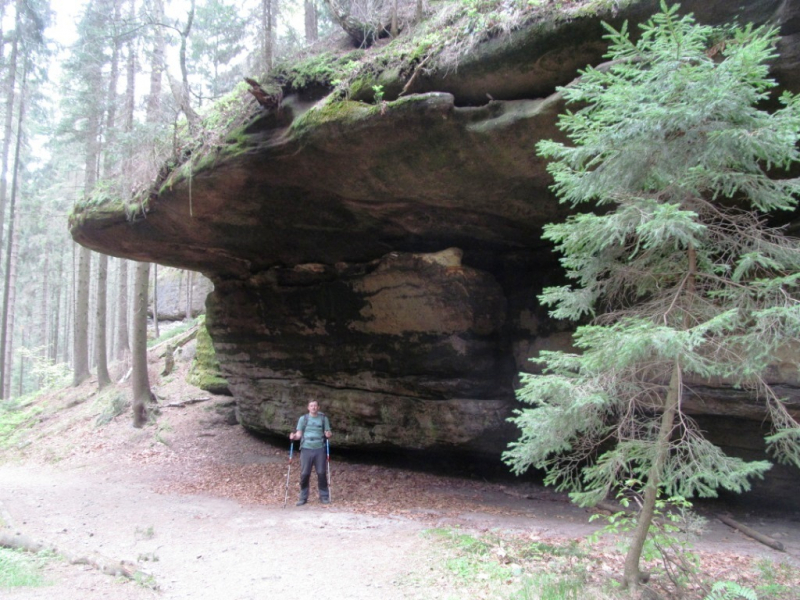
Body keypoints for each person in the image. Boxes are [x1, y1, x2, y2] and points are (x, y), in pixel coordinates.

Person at [289, 400, 332, 506]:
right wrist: (294, 437)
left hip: (319, 448)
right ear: (308, 408)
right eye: (311, 406)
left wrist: (328, 434)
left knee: (321, 472)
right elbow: (299, 434)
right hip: (306, 448)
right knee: (305, 473)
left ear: (318, 407)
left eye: (315, 406)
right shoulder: (303, 419)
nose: (313, 407)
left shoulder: (323, 419)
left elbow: (328, 432)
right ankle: (303, 497)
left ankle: (324, 496)